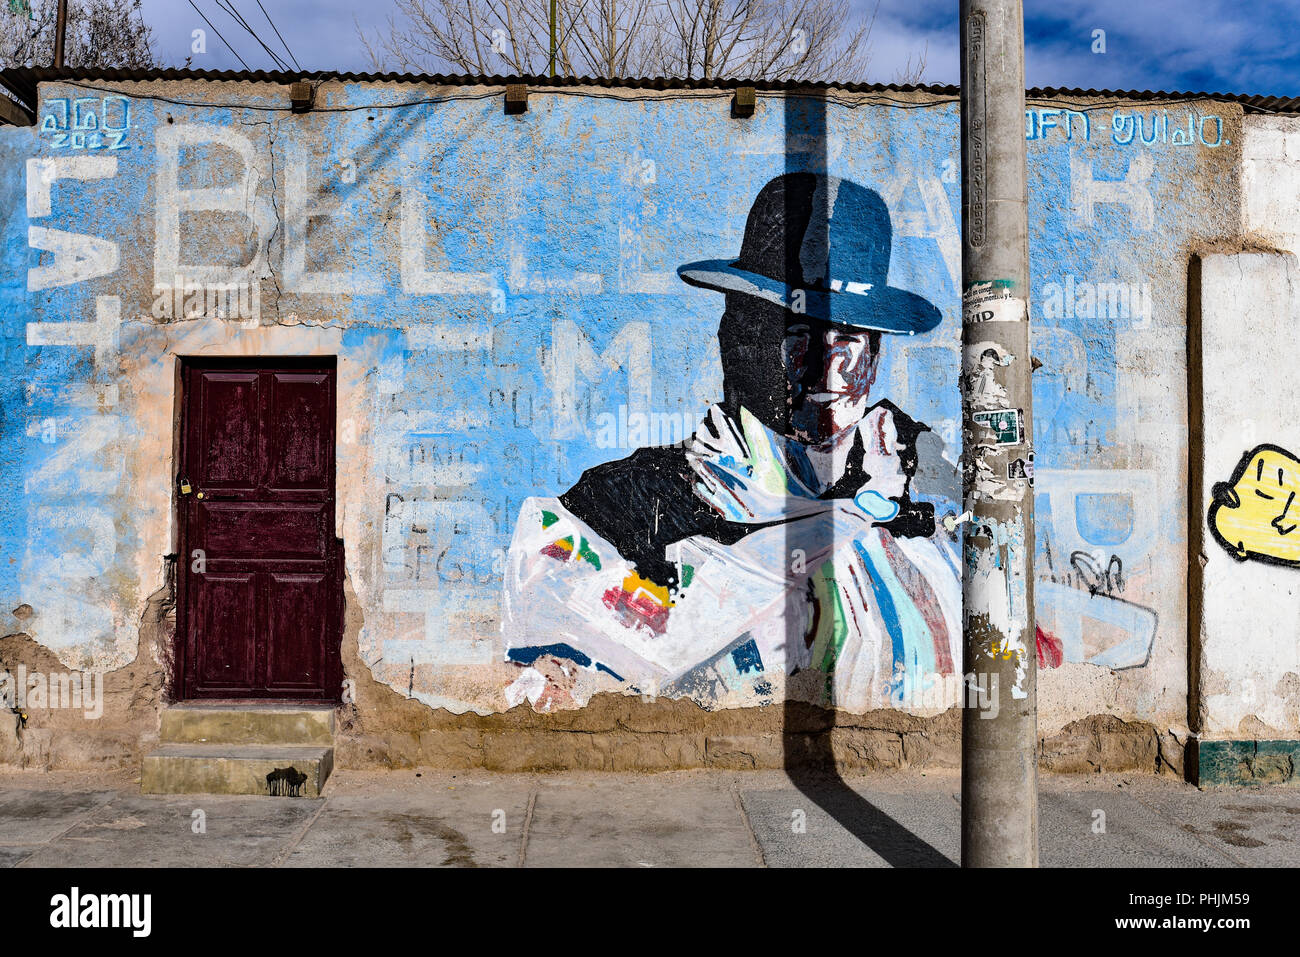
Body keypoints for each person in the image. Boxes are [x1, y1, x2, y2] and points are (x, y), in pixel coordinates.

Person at [501, 172, 961, 713]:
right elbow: (557, 669)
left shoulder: (927, 496)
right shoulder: (627, 503)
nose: (823, 365)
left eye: (847, 340)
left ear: (877, 356)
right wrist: (847, 519)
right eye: (796, 335)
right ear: (739, 341)